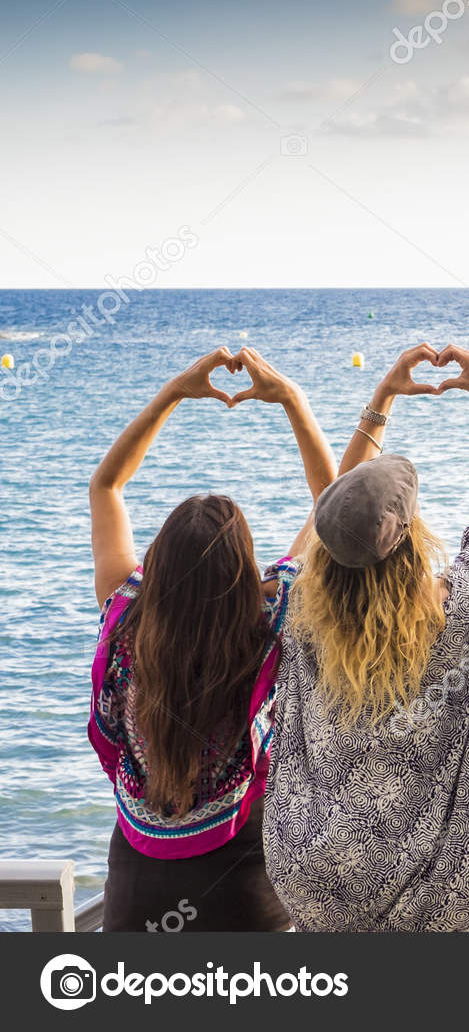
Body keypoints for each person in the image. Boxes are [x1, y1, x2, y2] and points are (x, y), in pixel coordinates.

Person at [264, 343, 469, 931]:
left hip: (316, 875)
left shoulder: (301, 608)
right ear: (408, 535)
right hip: (438, 890)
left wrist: (380, 401)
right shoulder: (459, 607)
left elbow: (330, 518)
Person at [88, 347, 333, 932]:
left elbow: (106, 486)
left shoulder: (125, 619)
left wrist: (175, 390)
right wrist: (293, 402)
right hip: (243, 880)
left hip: (136, 881)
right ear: (242, 568)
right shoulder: (271, 622)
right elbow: (332, 509)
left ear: (159, 562)